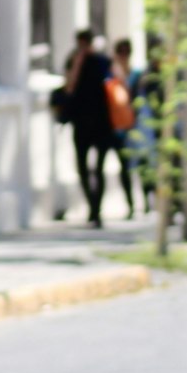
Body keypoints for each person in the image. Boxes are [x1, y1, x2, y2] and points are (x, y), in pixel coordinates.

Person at [62, 29, 119, 227]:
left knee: (100, 167)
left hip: (102, 122)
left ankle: (97, 210)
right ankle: (92, 206)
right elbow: (68, 87)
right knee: (82, 167)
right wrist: (76, 65)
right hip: (81, 122)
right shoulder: (73, 61)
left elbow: (113, 85)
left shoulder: (102, 61)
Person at [110, 38, 141, 220]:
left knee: (139, 164)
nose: (123, 56)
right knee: (125, 166)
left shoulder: (137, 75)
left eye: (126, 52)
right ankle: (130, 203)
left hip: (136, 126)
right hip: (118, 127)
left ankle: (144, 200)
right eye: (120, 52)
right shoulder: (111, 76)